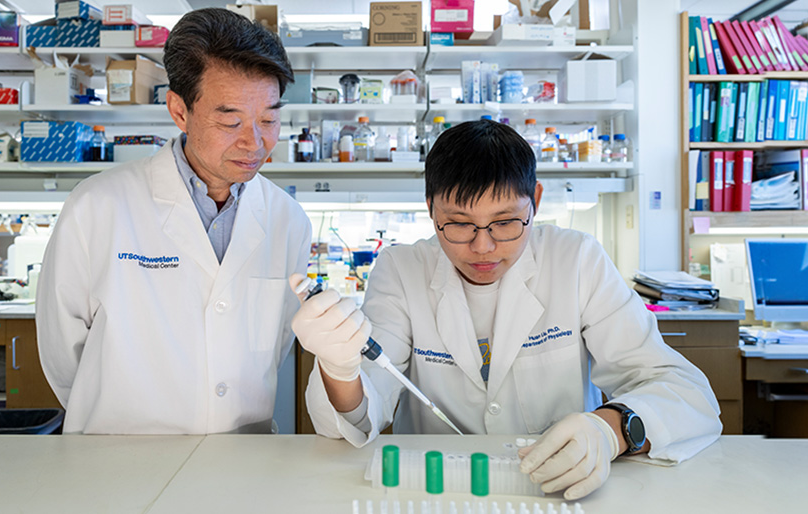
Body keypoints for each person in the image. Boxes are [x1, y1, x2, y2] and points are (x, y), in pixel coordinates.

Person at [294, 120, 721, 499]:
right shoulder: (401, 270)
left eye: (505, 222)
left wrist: (609, 431)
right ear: (430, 208)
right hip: (437, 492)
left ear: (535, 200)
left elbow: (687, 394)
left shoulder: (575, 260)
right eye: (459, 223)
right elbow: (356, 417)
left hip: (557, 490)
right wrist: (340, 368)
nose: (483, 246)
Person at [37, 8, 311, 434]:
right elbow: (62, 355)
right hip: (117, 455)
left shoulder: (288, 220)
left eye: (269, 119)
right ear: (179, 111)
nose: (254, 142)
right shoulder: (97, 206)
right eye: (231, 121)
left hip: (240, 457)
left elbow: (275, 347)